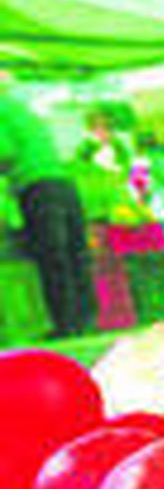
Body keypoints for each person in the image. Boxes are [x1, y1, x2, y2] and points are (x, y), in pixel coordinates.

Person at [0, 90, 95, 336]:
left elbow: (5, 152)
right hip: (63, 183)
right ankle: (85, 320)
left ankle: (66, 324)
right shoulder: (19, 106)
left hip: (38, 187)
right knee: (75, 256)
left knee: (52, 258)